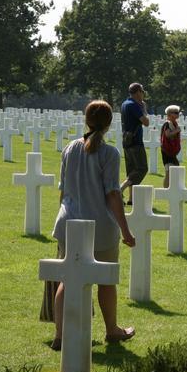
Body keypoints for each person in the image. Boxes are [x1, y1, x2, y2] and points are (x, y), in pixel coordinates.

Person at [49, 100, 136, 351]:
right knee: (105, 280)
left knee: (67, 279)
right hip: (99, 227)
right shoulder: (110, 154)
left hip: (69, 223)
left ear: (86, 120)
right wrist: (126, 230)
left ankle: (60, 335)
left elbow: (63, 191)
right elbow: (112, 194)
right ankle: (112, 330)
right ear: (109, 124)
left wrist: (63, 217)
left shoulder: (70, 148)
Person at [120, 83, 149, 205]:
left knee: (131, 170)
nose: (143, 94)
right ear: (137, 92)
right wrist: (144, 108)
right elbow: (146, 122)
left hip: (127, 140)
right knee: (142, 168)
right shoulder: (134, 105)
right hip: (136, 141)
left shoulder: (124, 104)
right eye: (142, 91)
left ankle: (131, 199)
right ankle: (120, 188)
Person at [160, 105, 181, 188]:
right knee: (168, 172)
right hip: (167, 151)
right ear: (169, 114)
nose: (178, 114)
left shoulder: (174, 124)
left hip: (171, 151)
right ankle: (166, 191)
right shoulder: (167, 124)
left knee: (175, 170)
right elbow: (167, 135)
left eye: (178, 112)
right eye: (175, 112)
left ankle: (172, 189)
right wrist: (177, 130)